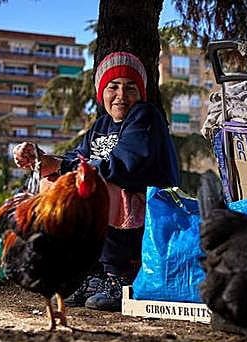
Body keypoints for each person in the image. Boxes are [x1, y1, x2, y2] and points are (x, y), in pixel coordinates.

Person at [13, 51, 180, 311]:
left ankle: (119, 276)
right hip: (118, 212)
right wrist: (43, 159)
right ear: (102, 92)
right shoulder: (100, 125)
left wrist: (63, 165)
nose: (121, 96)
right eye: (113, 87)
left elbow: (124, 166)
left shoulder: (146, 116)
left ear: (142, 92)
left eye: (130, 87)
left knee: (102, 185)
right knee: (55, 184)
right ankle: (92, 274)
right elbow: (74, 160)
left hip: (149, 208)